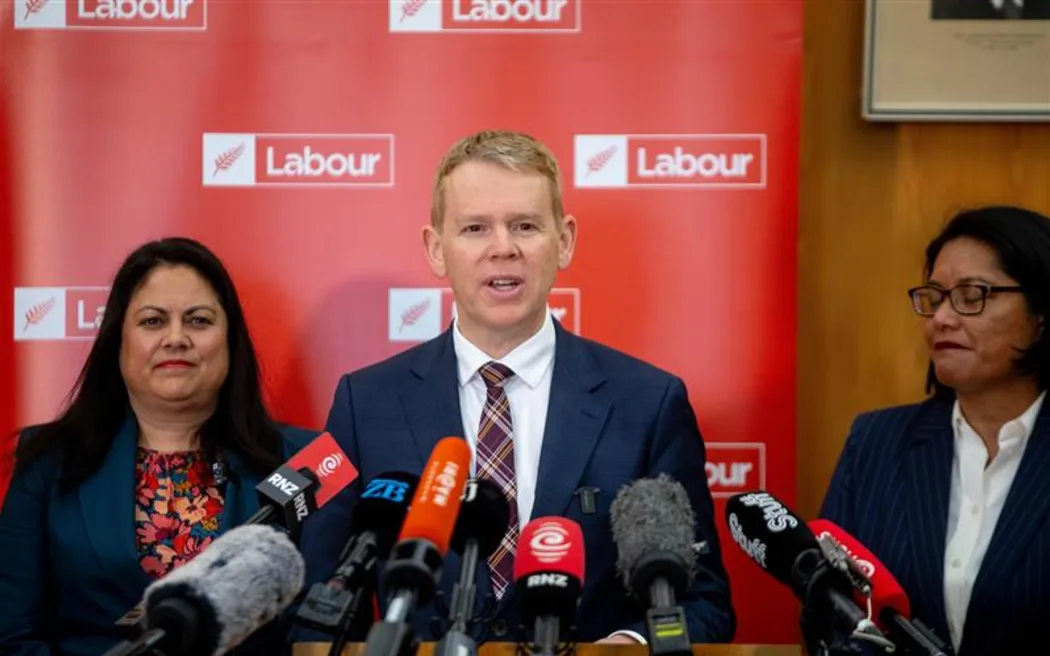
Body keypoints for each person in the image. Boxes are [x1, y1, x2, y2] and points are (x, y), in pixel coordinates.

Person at [296, 129, 735, 645]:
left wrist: (628, 648)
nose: (502, 248)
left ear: (563, 241)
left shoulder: (649, 404)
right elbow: (318, 602)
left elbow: (703, 604)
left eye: (525, 225)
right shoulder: (366, 403)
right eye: (475, 228)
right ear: (436, 249)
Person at [0, 237, 319, 655]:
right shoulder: (49, 459)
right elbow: (12, 635)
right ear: (118, 341)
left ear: (230, 340)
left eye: (199, 320)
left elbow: (322, 632)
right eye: (152, 321)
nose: (176, 338)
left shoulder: (304, 462)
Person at [820, 205, 1050, 656]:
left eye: (971, 295)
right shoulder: (876, 443)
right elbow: (831, 610)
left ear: (1041, 314)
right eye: (935, 297)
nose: (942, 317)